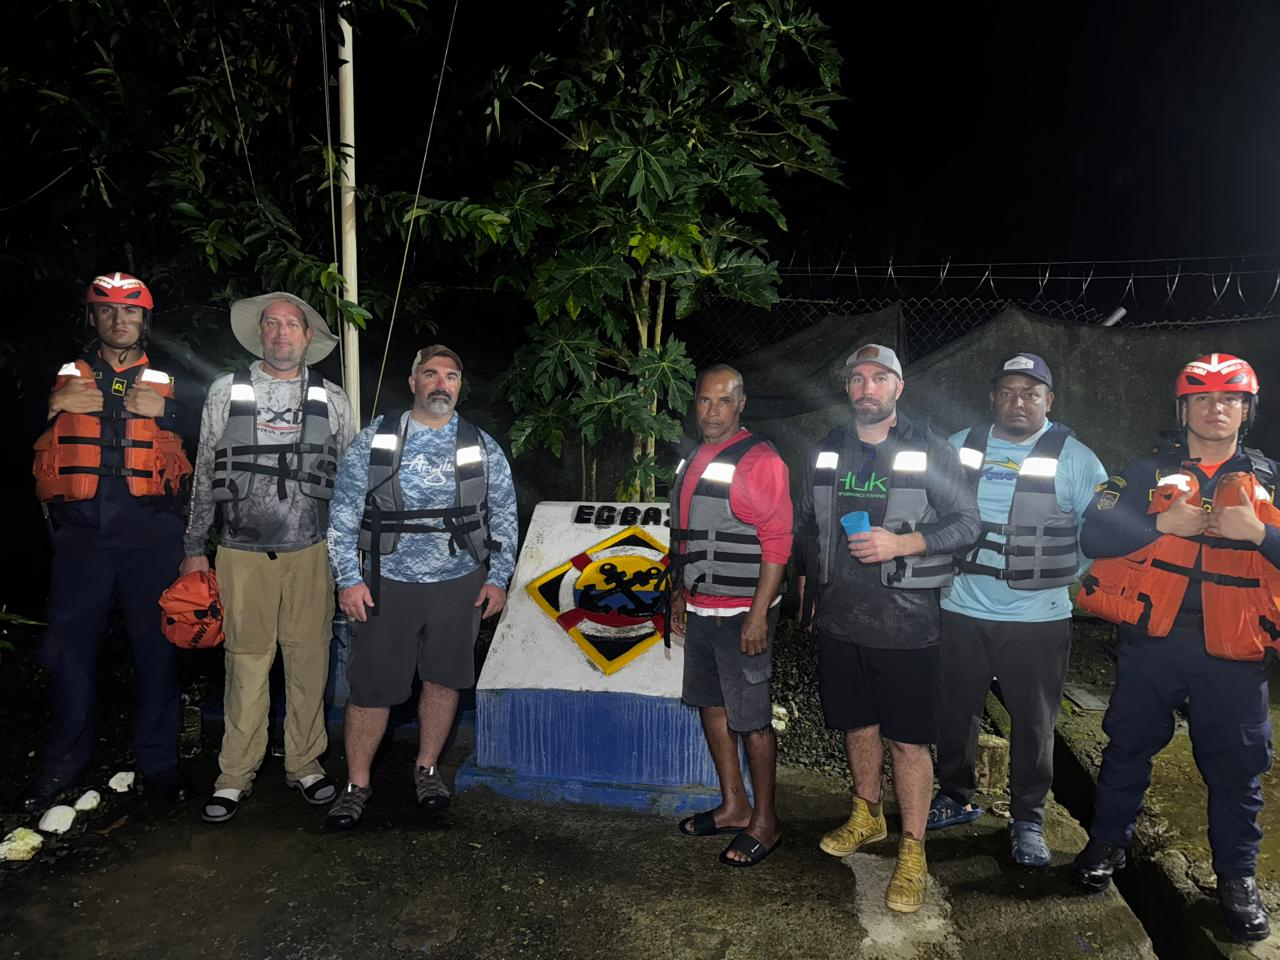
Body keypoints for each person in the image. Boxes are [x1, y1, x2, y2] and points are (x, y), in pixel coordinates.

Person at [1071, 353, 1279, 943]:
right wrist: (1160, 527)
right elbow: (1094, 532)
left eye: (1230, 399)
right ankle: (1107, 843)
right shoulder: (1143, 471)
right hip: (1152, 645)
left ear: (1247, 409)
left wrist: (1260, 534)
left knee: (1237, 773)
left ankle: (1237, 879)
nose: (1217, 409)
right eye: (1203, 398)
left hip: (1237, 659)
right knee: (1126, 748)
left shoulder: (1273, 478)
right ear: (1183, 407)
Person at [795, 343, 980, 913]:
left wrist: (905, 542)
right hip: (841, 617)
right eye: (857, 379)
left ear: (898, 388)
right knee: (856, 726)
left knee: (908, 741)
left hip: (907, 622)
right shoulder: (828, 447)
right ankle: (866, 814)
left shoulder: (930, 446)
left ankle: (913, 847)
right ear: (848, 389)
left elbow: (968, 521)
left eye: (879, 378)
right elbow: (808, 523)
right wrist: (805, 585)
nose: (866, 388)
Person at [21, 272, 203, 813]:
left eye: (129, 312)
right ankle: (62, 765)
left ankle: (160, 766)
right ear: (92, 319)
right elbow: (14, 433)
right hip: (82, 536)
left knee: (157, 652)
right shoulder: (59, 376)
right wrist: (49, 408)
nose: (118, 321)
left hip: (153, 532)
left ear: (145, 320)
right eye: (107, 312)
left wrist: (168, 413)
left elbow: (213, 435)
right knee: (71, 654)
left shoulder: (176, 380)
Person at [324, 345, 517, 830]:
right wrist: (347, 578)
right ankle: (357, 783)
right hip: (386, 581)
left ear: (458, 386)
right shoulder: (375, 439)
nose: (441, 383)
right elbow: (343, 515)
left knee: (444, 678)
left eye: (451, 376)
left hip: (459, 583)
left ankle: (427, 770)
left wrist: (498, 576)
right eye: (431, 374)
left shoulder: (480, 444)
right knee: (370, 689)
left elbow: (505, 516)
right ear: (412, 382)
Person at [927, 353, 1106, 866]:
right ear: (992, 399)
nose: (1018, 402)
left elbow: (1094, 534)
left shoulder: (1076, 458)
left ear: (1049, 400)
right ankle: (954, 795)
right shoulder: (960, 446)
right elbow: (930, 510)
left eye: (1030, 393)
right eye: (1006, 392)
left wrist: (1063, 577)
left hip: (1037, 619)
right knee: (954, 713)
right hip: (961, 607)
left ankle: (1028, 817)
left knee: (1033, 724)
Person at [183, 292, 355, 823]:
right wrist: (194, 548)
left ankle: (305, 763)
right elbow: (204, 471)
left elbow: (350, 486)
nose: (282, 334)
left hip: (312, 550)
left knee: (310, 661)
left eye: (292, 325)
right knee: (246, 664)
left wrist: (349, 562)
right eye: (272, 325)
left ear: (308, 338)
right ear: (261, 335)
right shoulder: (225, 390)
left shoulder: (334, 398)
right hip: (239, 551)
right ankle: (234, 773)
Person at [668, 365, 792, 867]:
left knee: (752, 719)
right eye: (703, 401)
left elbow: (778, 542)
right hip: (700, 608)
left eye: (723, 402)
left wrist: (759, 615)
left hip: (743, 611)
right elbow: (686, 533)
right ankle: (734, 805)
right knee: (711, 708)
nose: (711, 412)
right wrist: (679, 593)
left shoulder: (760, 460)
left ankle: (766, 821)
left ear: (741, 404)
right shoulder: (693, 457)